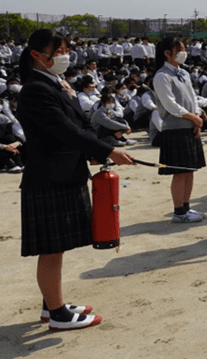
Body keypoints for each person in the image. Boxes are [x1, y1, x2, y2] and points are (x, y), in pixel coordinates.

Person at [16, 29, 135, 331]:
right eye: (58, 51)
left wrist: (103, 141)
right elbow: (63, 130)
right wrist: (107, 149)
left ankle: (51, 304)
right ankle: (57, 314)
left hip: (66, 172)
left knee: (58, 246)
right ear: (37, 56)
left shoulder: (55, 83)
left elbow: (80, 123)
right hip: (49, 176)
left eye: (66, 49)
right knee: (51, 248)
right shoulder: (36, 89)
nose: (64, 56)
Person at [153, 37, 207, 223]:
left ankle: (186, 206)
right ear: (167, 53)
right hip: (175, 128)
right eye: (180, 49)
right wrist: (193, 117)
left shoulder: (182, 73)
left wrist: (197, 116)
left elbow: (192, 97)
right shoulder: (162, 76)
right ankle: (178, 211)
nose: (185, 52)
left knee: (190, 170)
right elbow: (170, 104)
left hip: (189, 125)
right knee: (180, 172)